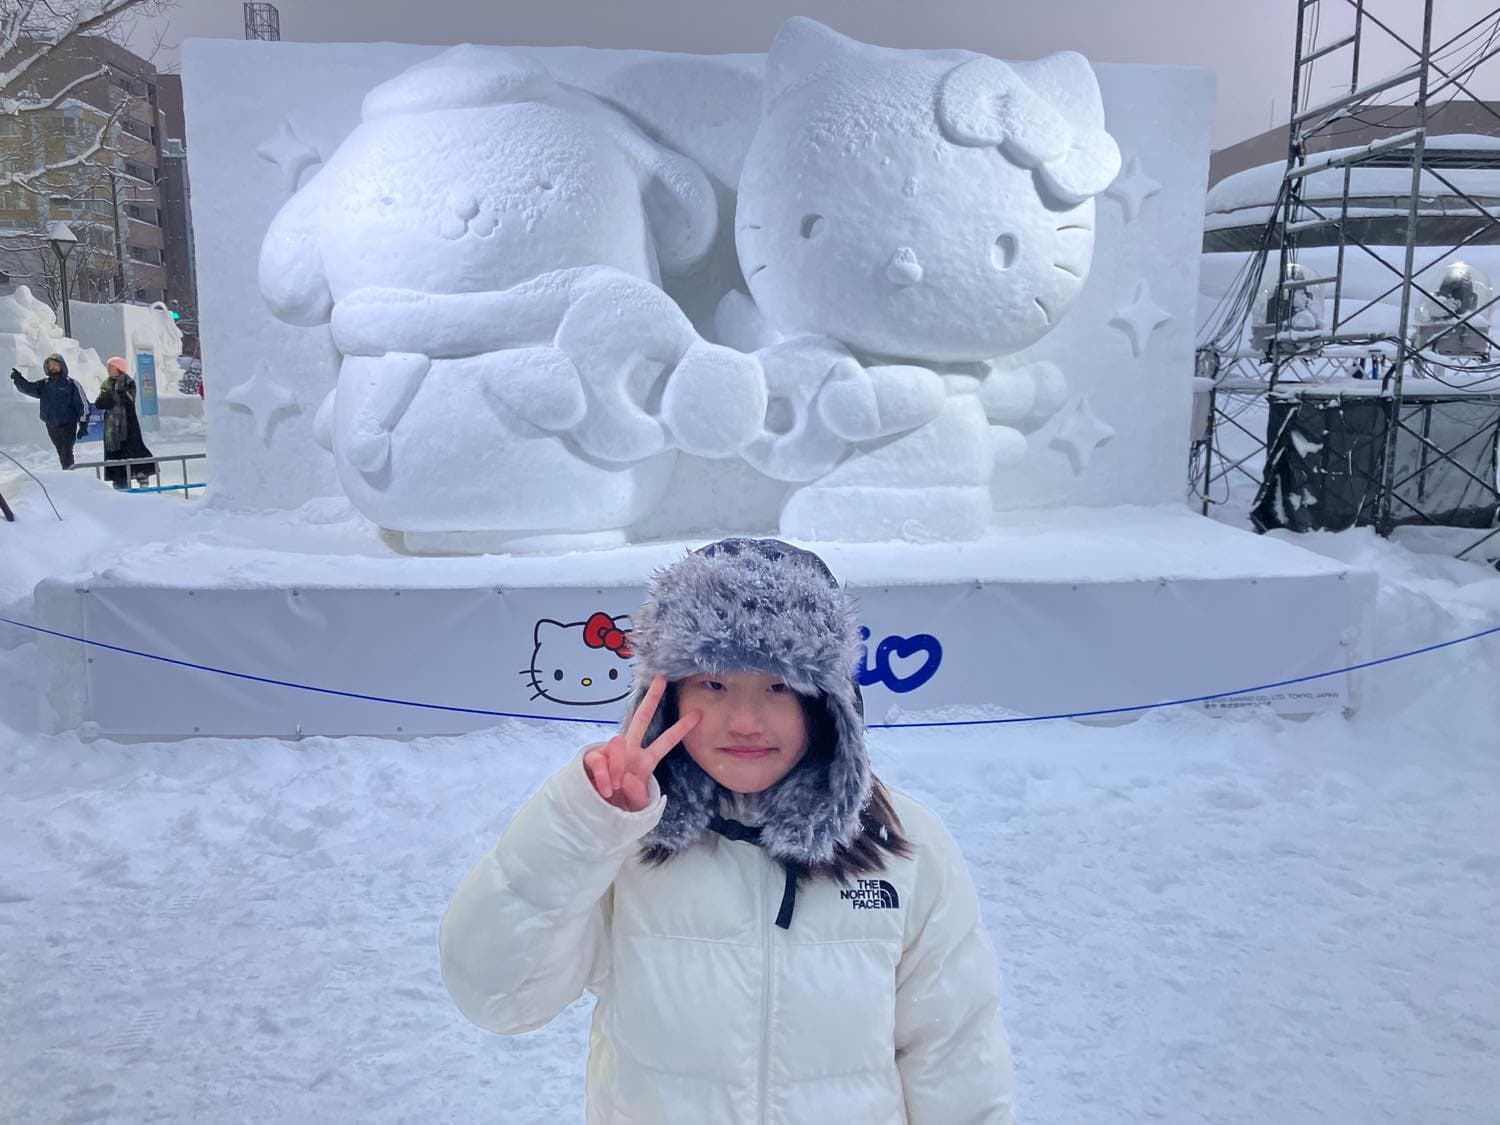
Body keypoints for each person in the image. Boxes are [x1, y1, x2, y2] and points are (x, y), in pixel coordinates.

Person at [440, 538, 1015, 1124]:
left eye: (779, 686)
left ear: (827, 703)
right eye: (714, 684)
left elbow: (956, 1057)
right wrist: (584, 825)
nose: (744, 721)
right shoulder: (623, 840)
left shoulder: (906, 846)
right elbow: (497, 996)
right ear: (666, 695)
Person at [10, 353, 88, 469]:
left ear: (62, 365)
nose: (53, 367)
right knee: (60, 450)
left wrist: (83, 424)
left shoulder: (71, 384)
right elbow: (29, 388)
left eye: (55, 364)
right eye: (50, 365)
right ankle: (67, 471)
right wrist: (18, 379)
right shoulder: (44, 384)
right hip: (51, 425)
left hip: (68, 424)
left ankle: (69, 473)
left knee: (66, 451)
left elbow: (82, 405)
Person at [95, 356, 157, 489]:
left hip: (128, 423)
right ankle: (119, 480)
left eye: (111, 366)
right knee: (114, 453)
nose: (108, 369)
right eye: (108, 366)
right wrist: (106, 400)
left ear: (118, 368)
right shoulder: (106, 383)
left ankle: (142, 473)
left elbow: (129, 399)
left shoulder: (128, 381)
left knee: (134, 449)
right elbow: (100, 403)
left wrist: (114, 396)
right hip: (111, 427)